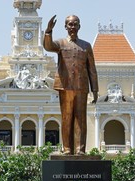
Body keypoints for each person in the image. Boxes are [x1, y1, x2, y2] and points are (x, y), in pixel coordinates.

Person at [43, 15, 98, 155]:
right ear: (65, 27)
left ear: (79, 26)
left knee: (81, 119)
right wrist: (48, 32)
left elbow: (92, 68)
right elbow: (48, 46)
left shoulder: (86, 46)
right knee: (66, 118)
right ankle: (67, 149)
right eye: (70, 24)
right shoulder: (61, 43)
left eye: (75, 24)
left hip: (81, 86)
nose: (72, 27)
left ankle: (80, 149)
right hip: (65, 86)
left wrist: (95, 89)